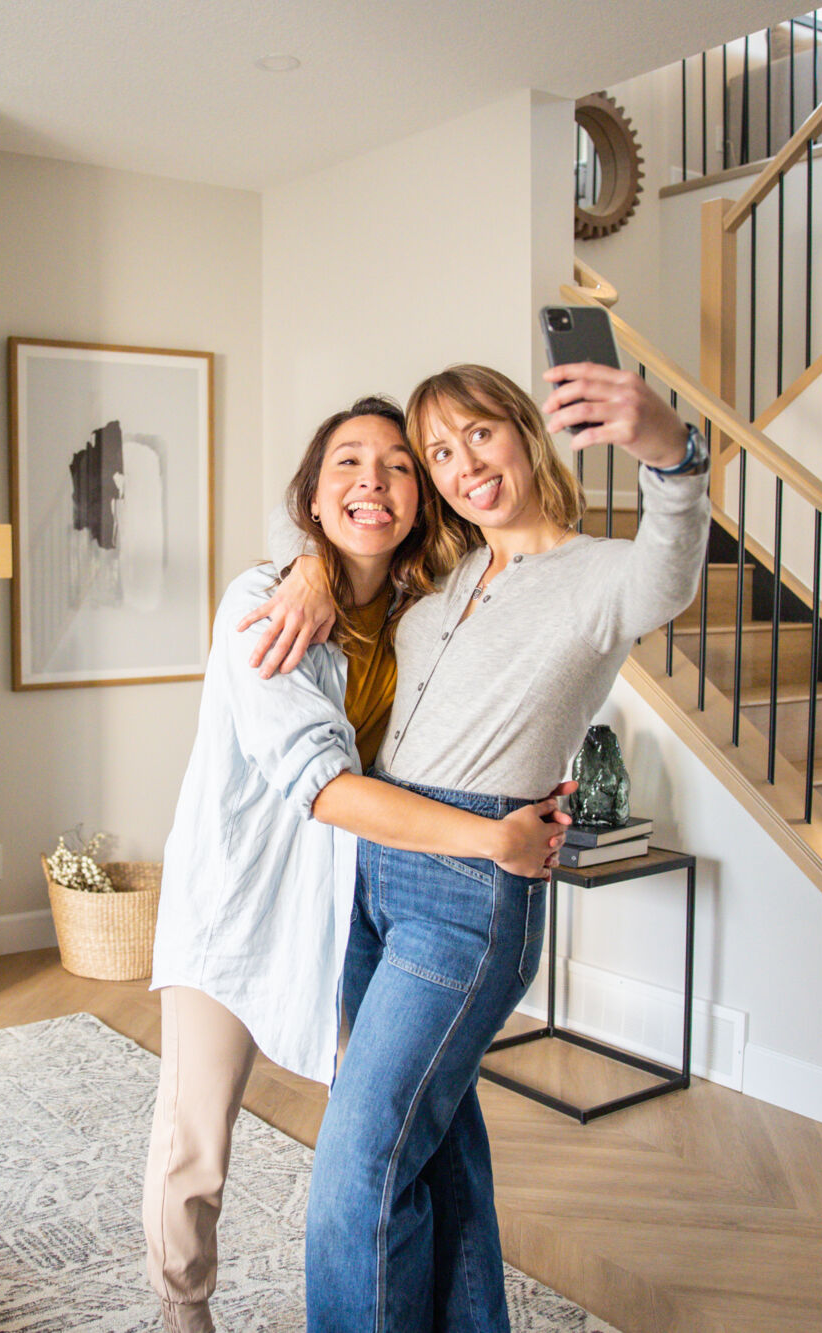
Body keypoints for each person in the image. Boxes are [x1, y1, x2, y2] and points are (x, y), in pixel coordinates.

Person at [246, 360, 711, 1332]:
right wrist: (303, 565)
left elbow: (669, 566)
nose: (463, 465)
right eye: (441, 453)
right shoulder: (445, 578)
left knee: (358, 1168)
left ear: (525, 432)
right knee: (438, 1147)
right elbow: (347, 555)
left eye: (480, 435)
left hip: (468, 892)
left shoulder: (597, 577)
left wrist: (667, 449)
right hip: (374, 873)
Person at [144, 396, 576, 1333]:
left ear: (422, 496)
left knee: (405, 1122)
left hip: (347, 908)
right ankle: (184, 1311)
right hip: (240, 897)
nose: (372, 482)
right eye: (347, 463)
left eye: (396, 465)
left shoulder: (431, 607)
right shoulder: (262, 604)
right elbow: (321, 786)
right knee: (196, 1144)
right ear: (312, 489)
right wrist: (493, 838)